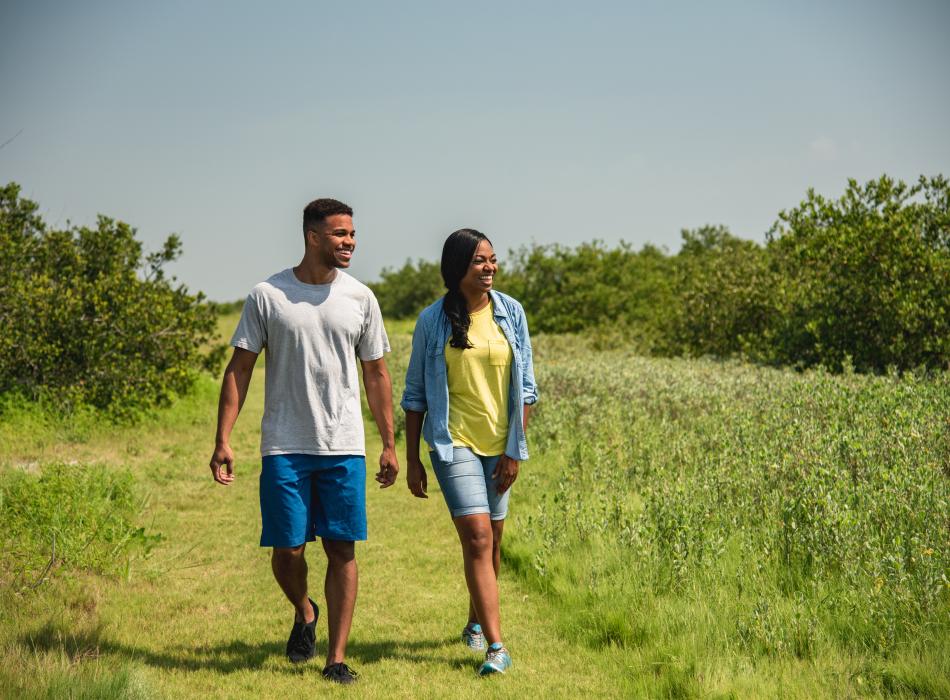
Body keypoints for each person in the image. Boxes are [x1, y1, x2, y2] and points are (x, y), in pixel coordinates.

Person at [208, 198, 398, 685]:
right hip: (285, 445)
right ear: (313, 236)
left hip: (343, 446)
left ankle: (335, 658)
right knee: (288, 551)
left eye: (352, 234)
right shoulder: (268, 295)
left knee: (342, 550)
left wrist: (389, 443)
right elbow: (240, 368)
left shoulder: (361, 298)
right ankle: (304, 609)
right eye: (339, 234)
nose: (349, 242)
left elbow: (376, 374)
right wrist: (223, 439)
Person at [401, 228, 537, 676]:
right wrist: (414, 458)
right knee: (477, 537)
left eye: (493, 260)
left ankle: (476, 620)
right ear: (458, 267)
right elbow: (416, 393)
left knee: (493, 541)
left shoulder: (511, 313)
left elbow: (528, 390)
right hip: (451, 442)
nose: (490, 267)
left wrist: (515, 449)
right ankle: (497, 648)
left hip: (501, 446)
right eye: (480, 260)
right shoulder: (431, 321)